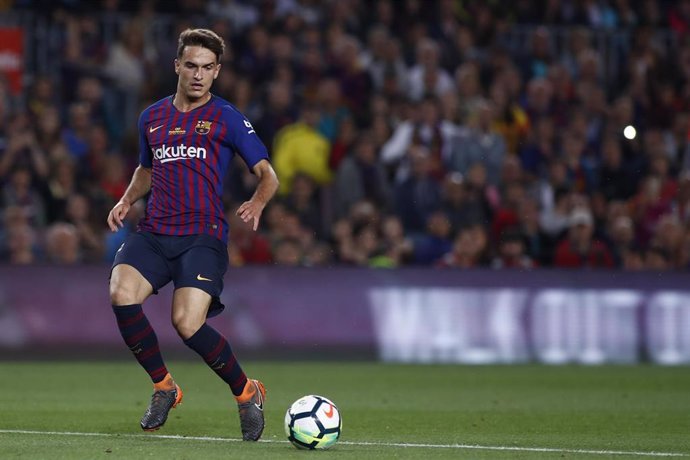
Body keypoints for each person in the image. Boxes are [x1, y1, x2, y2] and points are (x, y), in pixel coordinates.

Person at [106, 29, 279, 441]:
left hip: (202, 237)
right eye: (191, 66)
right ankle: (165, 387)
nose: (199, 75)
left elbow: (268, 175)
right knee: (120, 292)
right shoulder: (151, 117)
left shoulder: (228, 117)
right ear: (177, 66)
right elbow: (146, 169)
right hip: (154, 232)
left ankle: (246, 392)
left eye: (207, 68)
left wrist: (257, 202)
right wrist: (126, 200)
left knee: (186, 323)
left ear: (217, 71)